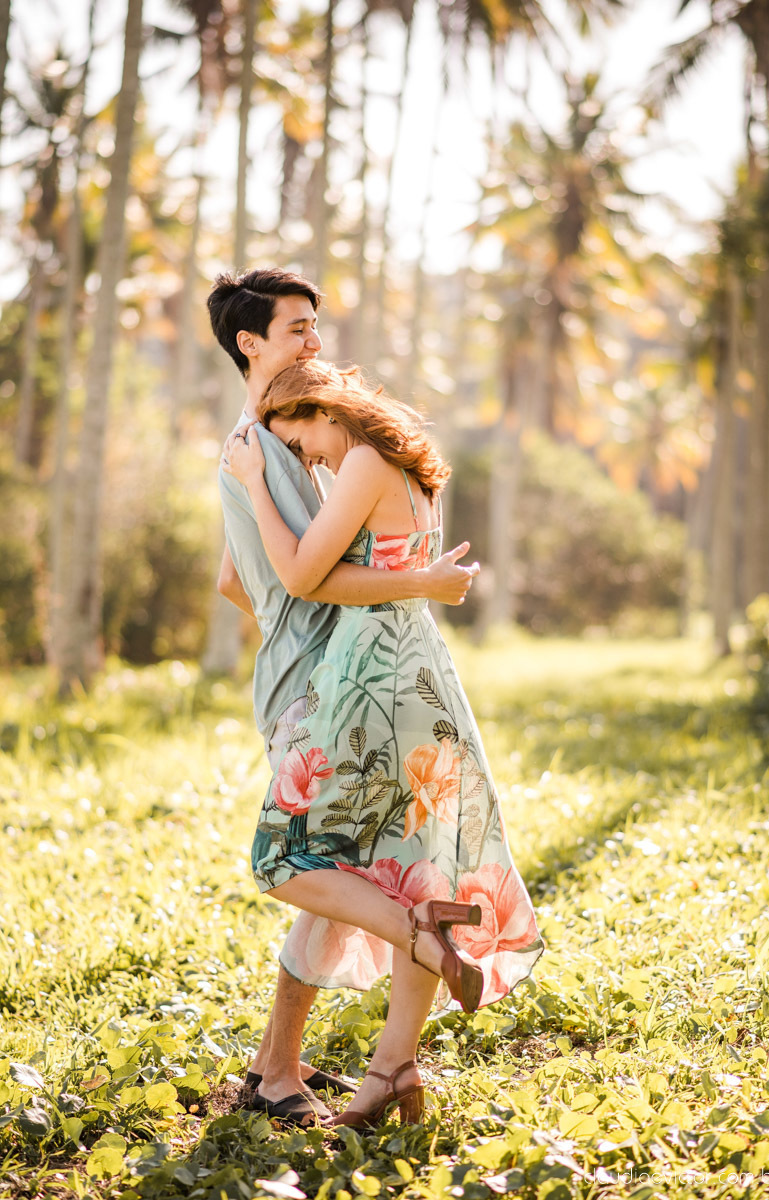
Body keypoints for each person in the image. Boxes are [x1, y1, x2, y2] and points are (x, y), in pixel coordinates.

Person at [222, 360, 543, 1130]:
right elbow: (374, 572)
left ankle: (424, 939)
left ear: (322, 409)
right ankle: (391, 1069)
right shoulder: (406, 462)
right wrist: (419, 584)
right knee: (413, 865)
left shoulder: (361, 462)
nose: (305, 458)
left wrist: (256, 485)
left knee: (282, 857)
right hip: (423, 674)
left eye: (297, 440)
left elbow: (300, 576)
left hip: (370, 680)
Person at [208, 268, 479, 1126]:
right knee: (335, 864)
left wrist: (299, 619)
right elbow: (301, 576)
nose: (313, 339)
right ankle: (296, 1067)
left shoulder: (259, 449)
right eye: (295, 328)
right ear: (250, 344)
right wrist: (393, 593)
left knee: (335, 864)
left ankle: (278, 1070)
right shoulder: (271, 448)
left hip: (337, 670)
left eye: (314, 327)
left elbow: (236, 579)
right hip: (328, 677)